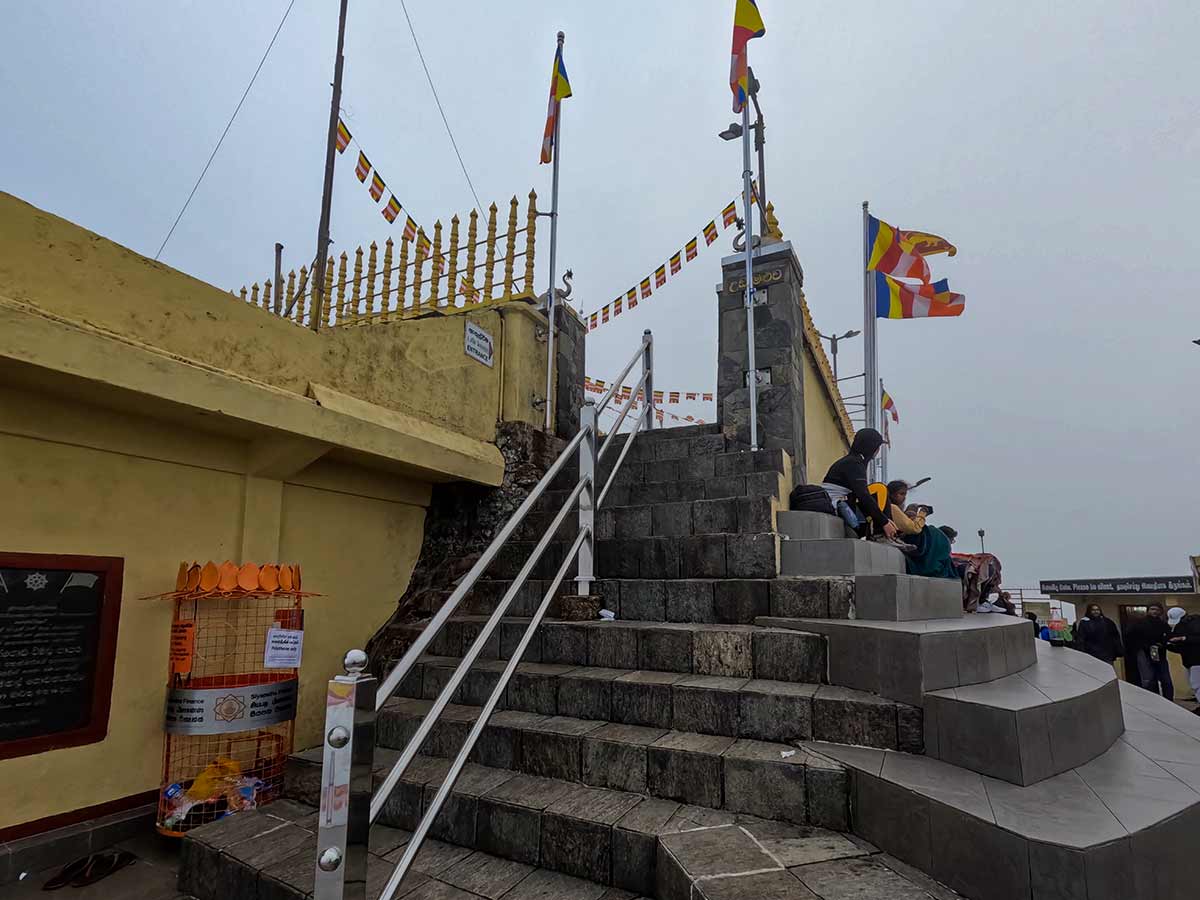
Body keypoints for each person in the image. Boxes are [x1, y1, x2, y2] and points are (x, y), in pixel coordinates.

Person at [820, 429, 899, 541]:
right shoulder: (854, 463)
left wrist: (884, 519)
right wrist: (884, 522)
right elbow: (863, 496)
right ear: (870, 447)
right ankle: (881, 535)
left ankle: (881, 533)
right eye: (877, 447)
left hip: (843, 504)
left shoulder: (854, 461)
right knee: (880, 489)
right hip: (835, 505)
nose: (878, 451)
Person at [883, 481, 957, 580]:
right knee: (935, 536)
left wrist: (910, 513)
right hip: (910, 538)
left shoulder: (893, 507)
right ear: (891, 494)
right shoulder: (892, 507)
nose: (904, 497)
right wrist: (923, 513)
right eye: (901, 494)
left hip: (908, 537)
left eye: (905, 494)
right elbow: (914, 529)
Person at [1125, 604, 1173, 699]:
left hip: (1160, 654)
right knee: (1149, 679)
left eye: (1157, 609)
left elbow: (1168, 637)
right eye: (1152, 609)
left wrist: (1161, 644)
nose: (1154, 611)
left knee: (1166, 680)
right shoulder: (1139, 623)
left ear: (1160, 611)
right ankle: (1152, 700)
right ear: (1148, 611)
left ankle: (1169, 701)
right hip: (1144, 654)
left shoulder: (1163, 624)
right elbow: (1131, 638)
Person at [1167, 608, 1200, 715]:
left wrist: (1183, 638)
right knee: (1194, 684)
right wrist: (1169, 646)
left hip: (1197, 660)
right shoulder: (1181, 625)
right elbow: (1182, 647)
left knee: (1196, 685)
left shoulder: (1196, 622)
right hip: (1189, 660)